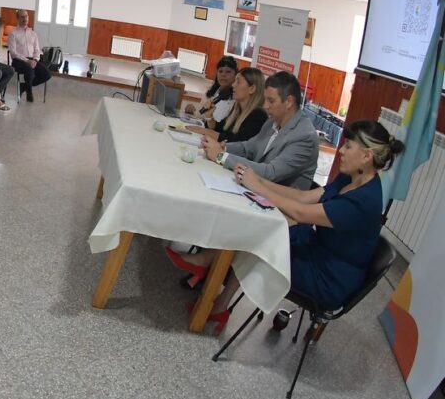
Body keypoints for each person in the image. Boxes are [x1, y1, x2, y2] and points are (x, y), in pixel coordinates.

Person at [169, 121, 402, 333]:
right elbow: (303, 197)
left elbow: (301, 213)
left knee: (262, 241)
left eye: (348, 146)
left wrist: (259, 187)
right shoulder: (351, 177)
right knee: (261, 230)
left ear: (366, 156)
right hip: (319, 250)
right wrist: (258, 181)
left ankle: (211, 281)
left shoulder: (364, 201)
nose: (340, 150)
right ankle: (217, 296)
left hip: (328, 278)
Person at [202, 71, 318, 190]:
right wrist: (223, 147)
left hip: (275, 199)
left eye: (271, 101)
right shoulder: (272, 122)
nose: (266, 106)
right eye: (265, 100)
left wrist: (221, 156)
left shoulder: (304, 136)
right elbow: (249, 147)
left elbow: (270, 173)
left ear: (289, 102)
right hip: (253, 189)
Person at [189, 67, 267, 145]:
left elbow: (236, 142)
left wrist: (206, 131)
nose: (233, 85)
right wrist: (209, 117)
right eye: (234, 81)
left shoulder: (258, 115)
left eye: (238, 82)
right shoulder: (237, 109)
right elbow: (220, 129)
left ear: (252, 89)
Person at [5, 9, 51, 102]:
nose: (25, 19)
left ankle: (24, 86)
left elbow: (37, 50)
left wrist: (35, 60)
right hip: (18, 61)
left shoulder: (33, 34)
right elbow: (13, 52)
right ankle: (29, 92)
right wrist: (27, 61)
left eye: (26, 16)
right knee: (29, 70)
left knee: (47, 74)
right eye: (22, 17)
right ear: (18, 19)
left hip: (33, 60)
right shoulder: (13, 33)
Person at [185, 55, 239, 123]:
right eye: (220, 71)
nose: (223, 75)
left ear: (236, 75)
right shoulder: (211, 92)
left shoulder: (236, 99)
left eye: (228, 71)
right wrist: (192, 111)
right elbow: (200, 115)